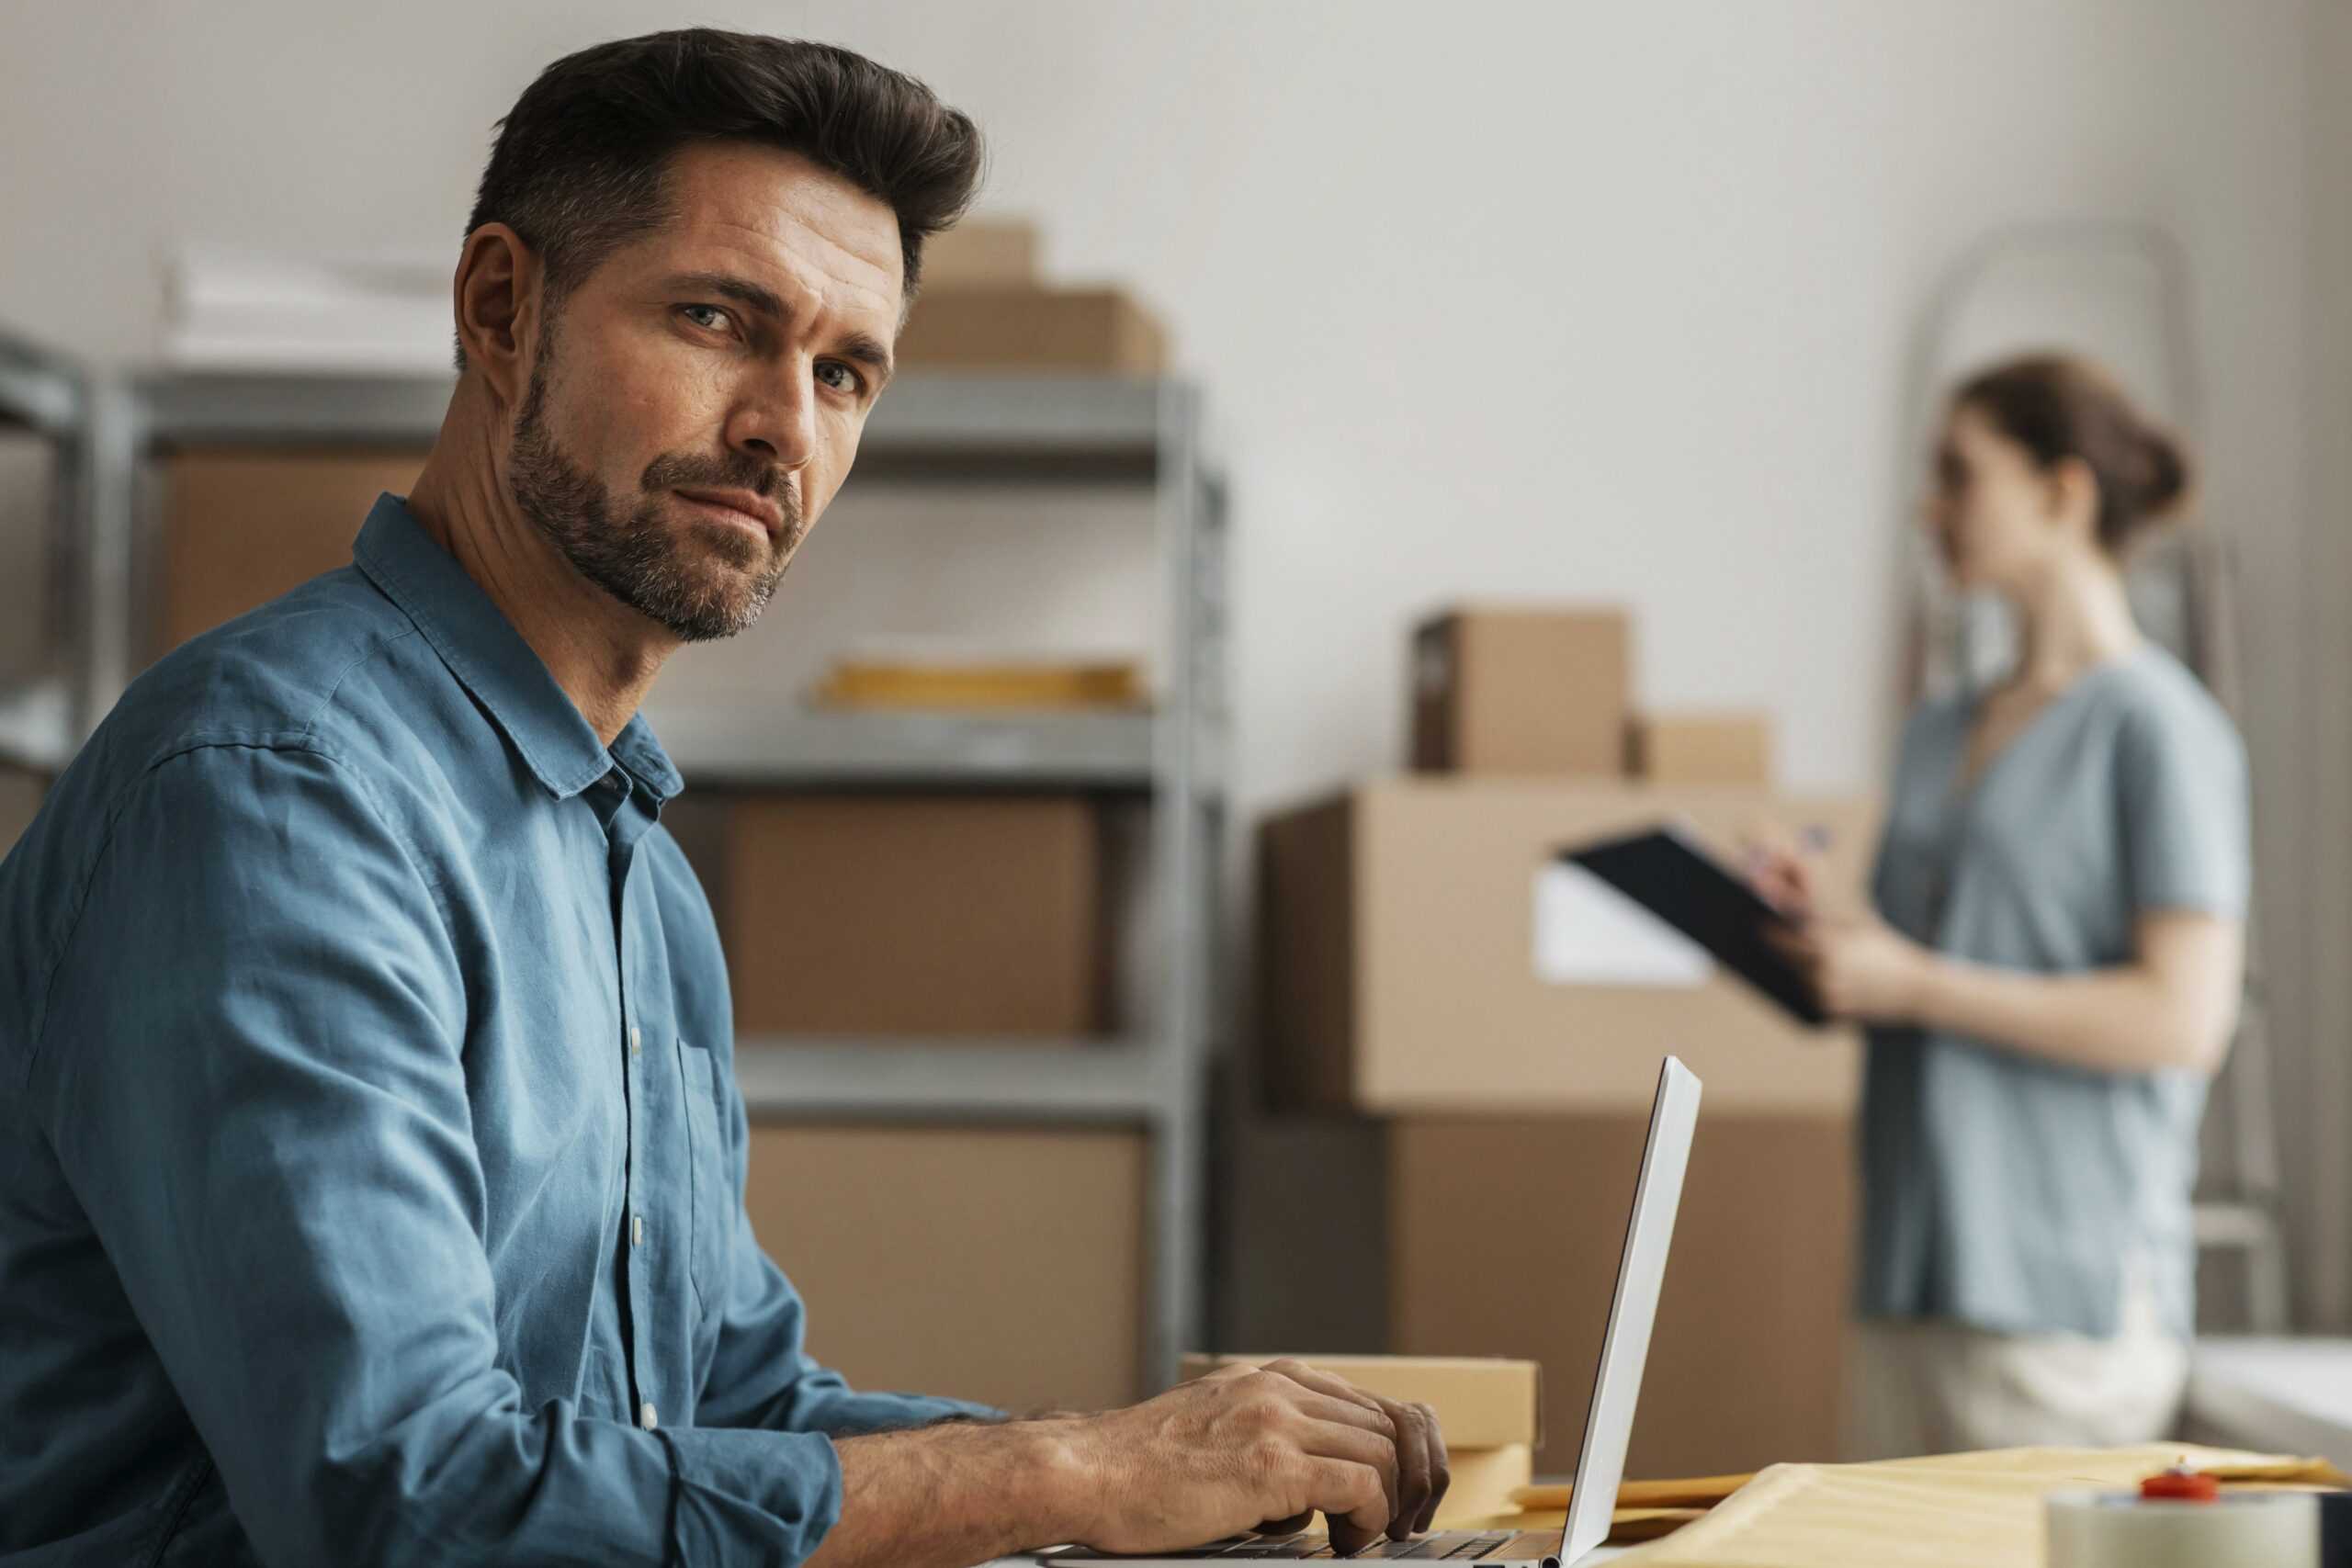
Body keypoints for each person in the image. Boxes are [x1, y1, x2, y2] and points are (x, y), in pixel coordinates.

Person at [0, 30, 1449, 1567]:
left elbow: (728, 1400)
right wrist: (1063, 1477)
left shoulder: (634, 868)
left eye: (845, 372)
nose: (786, 427)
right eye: (716, 319)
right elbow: (401, 1497)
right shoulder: (274, 798)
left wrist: (1184, 1496)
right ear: (503, 309)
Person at [1755, 353, 2250, 1459]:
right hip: (1905, 1273)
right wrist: (1829, 930)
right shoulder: (1936, 731)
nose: (1931, 510)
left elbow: (2181, 1019)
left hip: (2058, 1297)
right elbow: (1925, 962)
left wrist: (1914, 983)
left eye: (1959, 475)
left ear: (2061, 493)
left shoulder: (2157, 733)